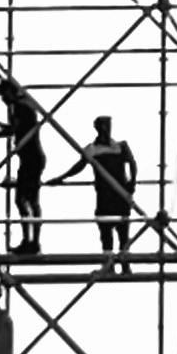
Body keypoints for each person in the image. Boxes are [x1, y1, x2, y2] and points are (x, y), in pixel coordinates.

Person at [0, 74, 46, 258]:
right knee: (31, 201)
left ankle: (30, 242)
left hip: (31, 158)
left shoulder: (18, 107)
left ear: (11, 92)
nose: (2, 99)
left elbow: (12, 130)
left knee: (23, 200)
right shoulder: (24, 106)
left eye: (3, 94)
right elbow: (14, 128)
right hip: (31, 158)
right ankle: (32, 242)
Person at [65, 115, 137, 269]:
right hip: (104, 195)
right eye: (104, 125)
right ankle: (109, 266)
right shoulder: (92, 149)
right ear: (98, 128)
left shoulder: (121, 146)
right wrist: (61, 178)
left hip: (120, 194)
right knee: (106, 232)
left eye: (109, 125)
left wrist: (132, 184)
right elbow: (79, 166)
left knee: (123, 232)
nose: (107, 129)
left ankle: (125, 265)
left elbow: (132, 164)